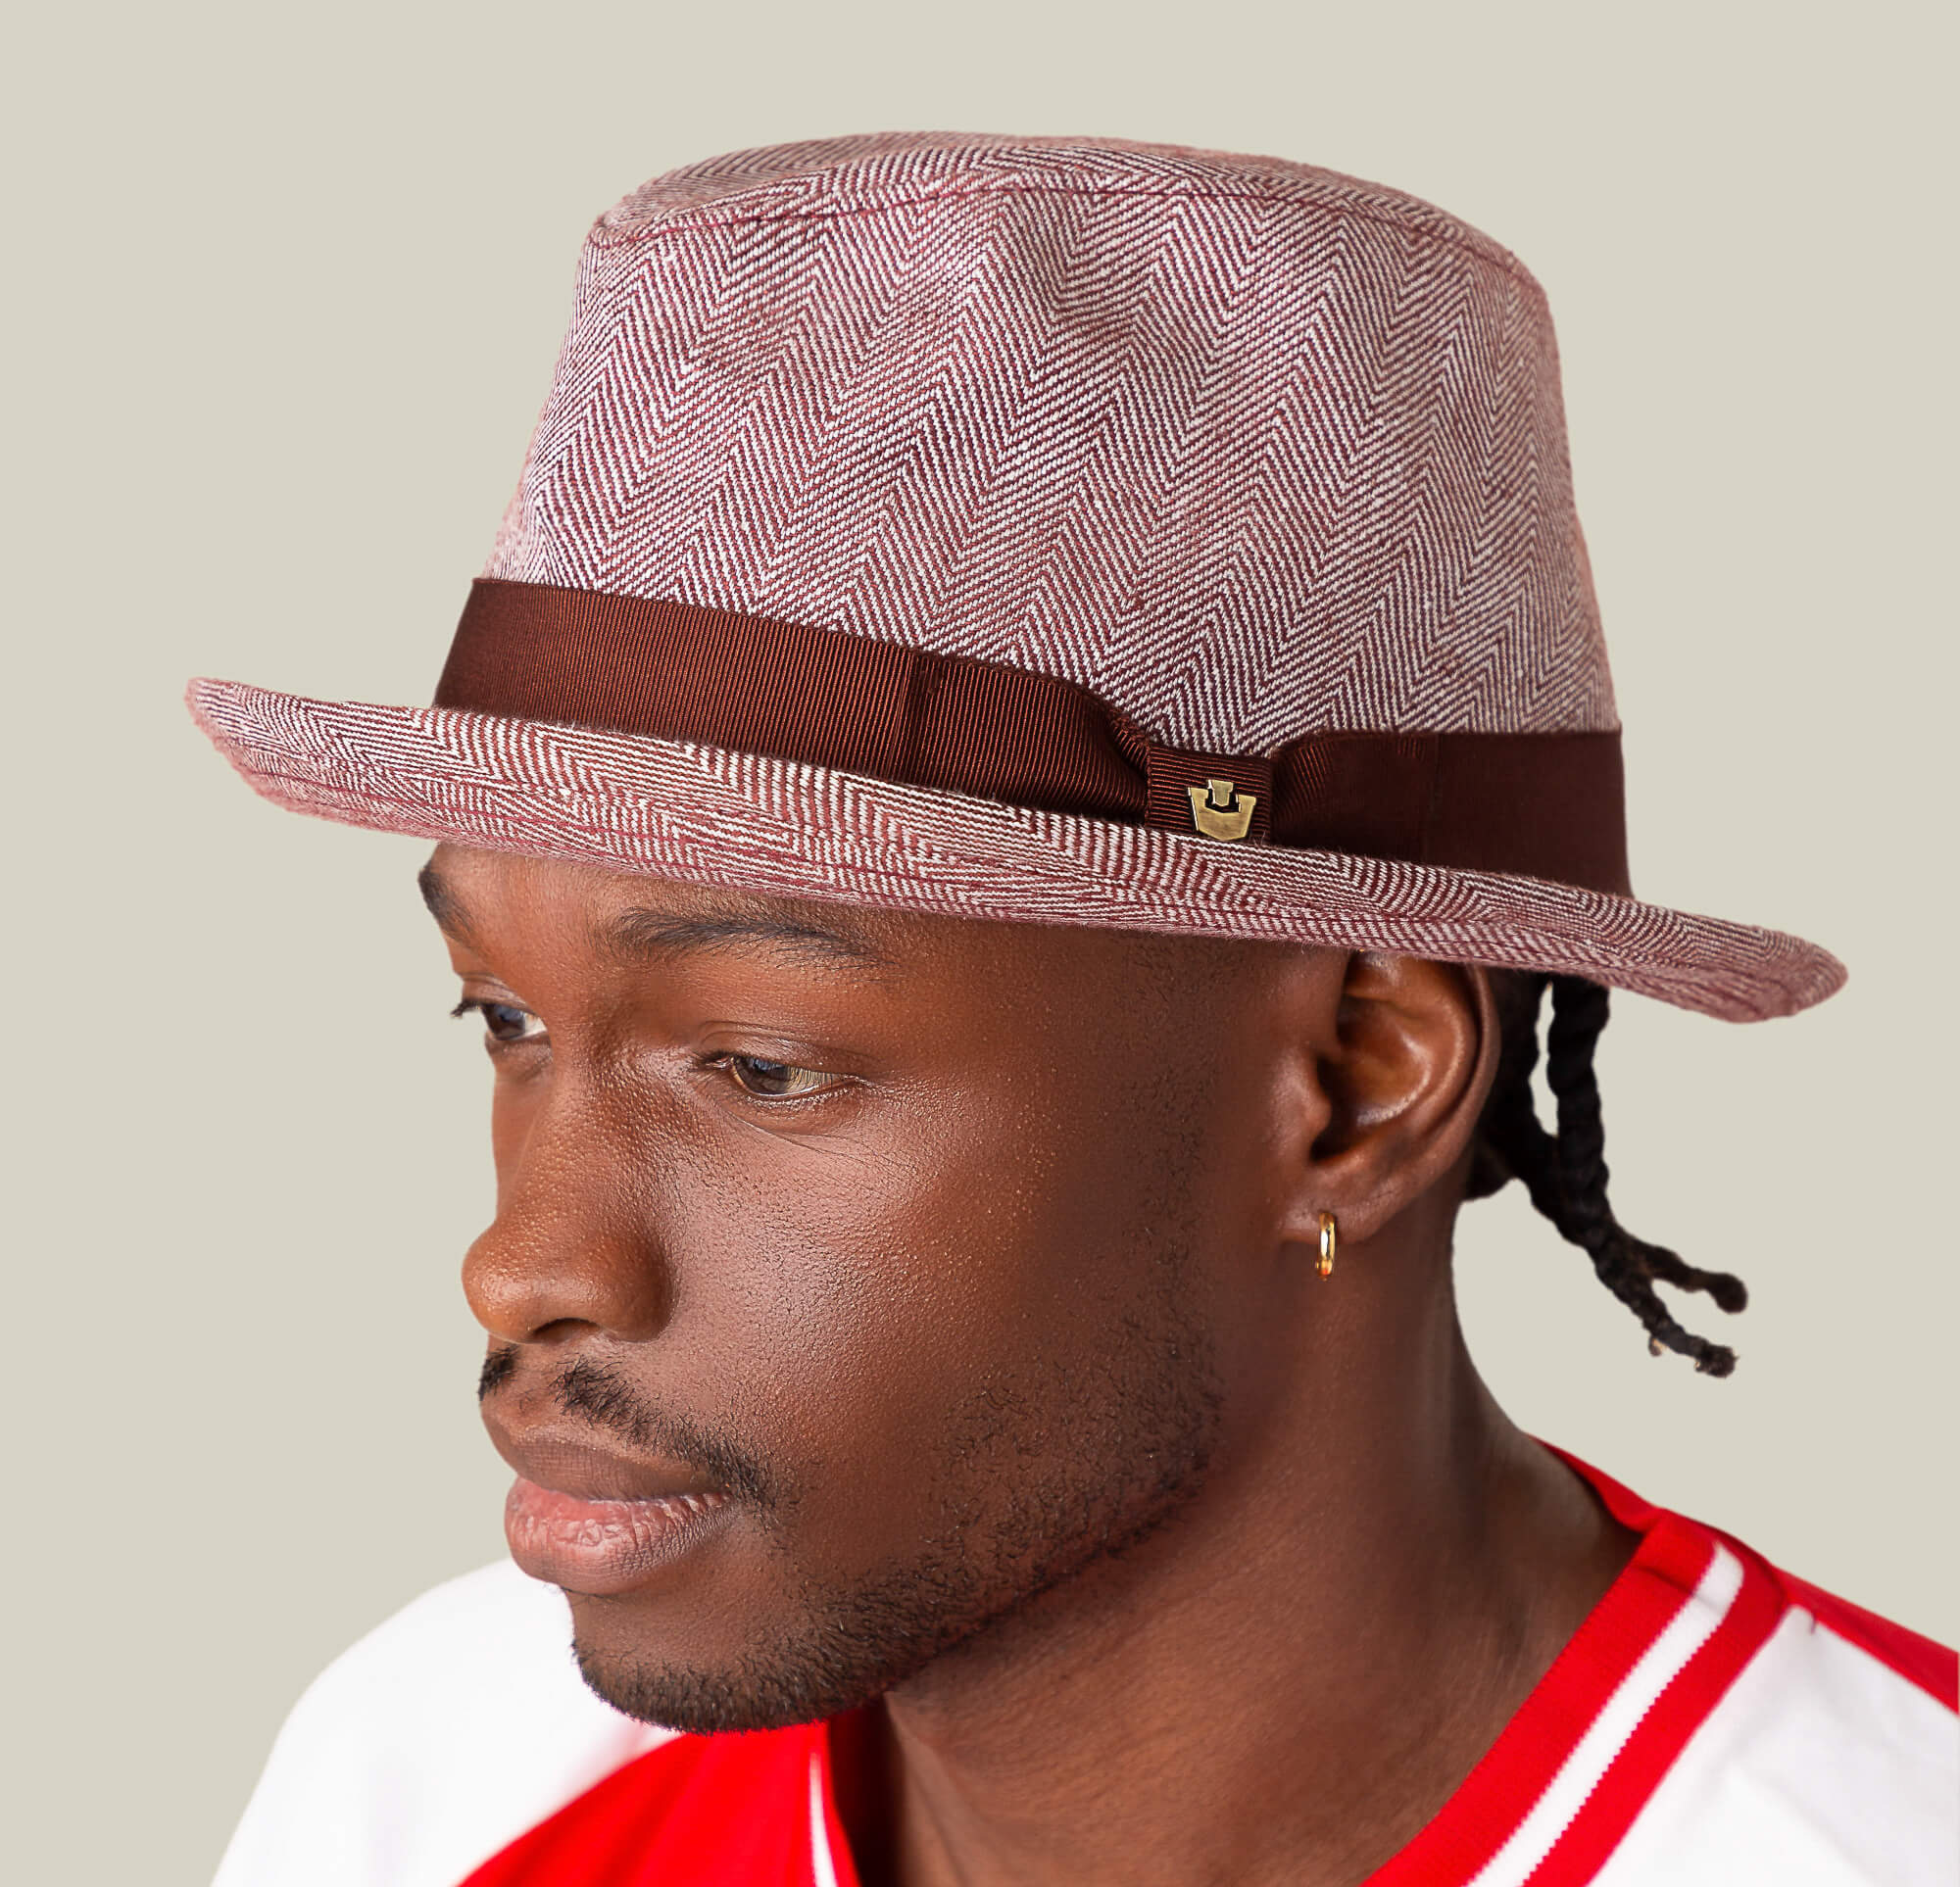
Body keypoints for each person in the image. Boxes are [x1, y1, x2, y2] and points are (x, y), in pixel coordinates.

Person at [188, 134, 1956, 1887]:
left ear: (1353, 1085)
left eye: (758, 1064)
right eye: (504, 1019)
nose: (524, 1265)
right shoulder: (428, 1776)